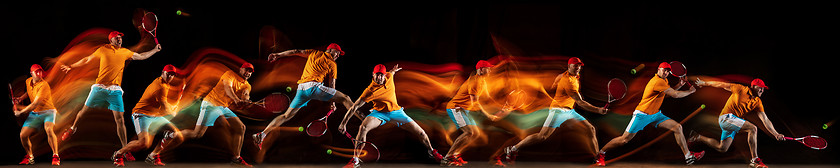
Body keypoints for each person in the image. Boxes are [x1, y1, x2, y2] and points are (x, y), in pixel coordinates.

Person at [59, 31, 162, 162]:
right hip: (100, 87)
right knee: (83, 112)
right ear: (111, 40)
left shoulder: (125, 52)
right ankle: (72, 129)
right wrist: (71, 67)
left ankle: (125, 150)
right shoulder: (103, 49)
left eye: (120, 37)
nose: (119, 39)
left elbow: (141, 56)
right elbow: (87, 59)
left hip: (115, 90)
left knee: (120, 120)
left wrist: (154, 50)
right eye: (117, 37)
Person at [497, 57, 608, 166]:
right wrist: (598, 110)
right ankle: (513, 149)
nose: (578, 68)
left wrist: (556, 87)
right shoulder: (568, 81)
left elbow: (556, 82)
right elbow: (580, 102)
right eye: (575, 66)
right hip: (558, 111)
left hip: (570, 112)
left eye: (579, 66)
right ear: (569, 66)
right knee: (542, 136)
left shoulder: (568, 76)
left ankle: (597, 158)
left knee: (591, 129)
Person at [597, 62, 705, 165]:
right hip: (642, 115)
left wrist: (679, 85)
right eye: (664, 70)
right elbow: (675, 95)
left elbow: (666, 94)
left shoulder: (664, 81)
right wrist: (690, 91)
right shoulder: (657, 81)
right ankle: (601, 154)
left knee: (677, 127)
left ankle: (688, 157)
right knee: (624, 140)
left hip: (656, 115)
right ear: (659, 69)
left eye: (668, 71)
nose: (666, 73)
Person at [337, 64, 445, 168]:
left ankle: (433, 152)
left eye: (381, 75)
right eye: (377, 75)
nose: (379, 77)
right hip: (379, 113)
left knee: (421, 132)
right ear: (372, 75)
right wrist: (343, 123)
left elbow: (391, 73)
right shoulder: (369, 91)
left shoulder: (389, 76)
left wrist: (394, 70)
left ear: (385, 75)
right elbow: (354, 107)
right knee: (363, 127)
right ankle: (355, 160)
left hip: (396, 112)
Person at [253, 43, 355, 149]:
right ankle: (362, 119)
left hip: (301, 89)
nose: (338, 55)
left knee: (286, 116)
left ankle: (261, 134)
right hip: (314, 87)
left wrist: (278, 55)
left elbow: (296, 51)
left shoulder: (313, 53)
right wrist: (332, 102)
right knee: (345, 98)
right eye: (338, 52)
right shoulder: (332, 63)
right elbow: (331, 84)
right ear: (330, 50)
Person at [156, 63, 257, 167]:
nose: (247, 73)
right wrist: (236, 100)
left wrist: (246, 102)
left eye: (250, 72)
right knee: (197, 134)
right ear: (241, 69)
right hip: (211, 104)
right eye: (246, 70)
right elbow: (228, 88)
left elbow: (245, 96)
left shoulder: (247, 86)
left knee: (241, 127)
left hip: (222, 107)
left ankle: (236, 159)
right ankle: (170, 134)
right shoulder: (229, 74)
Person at [690, 78, 784, 168]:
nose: (762, 90)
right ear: (753, 86)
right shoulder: (741, 89)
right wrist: (704, 83)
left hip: (733, 122)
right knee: (752, 128)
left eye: (763, 88)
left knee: (722, 148)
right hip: (726, 117)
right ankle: (754, 160)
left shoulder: (757, 102)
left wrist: (776, 134)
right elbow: (721, 84)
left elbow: (765, 119)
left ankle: (698, 137)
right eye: (760, 87)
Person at [111, 65, 185, 166]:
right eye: (168, 74)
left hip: (154, 114)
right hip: (141, 114)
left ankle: (153, 155)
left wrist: (175, 106)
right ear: (162, 73)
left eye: (172, 75)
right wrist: (175, 109)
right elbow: (166, 109)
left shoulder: (165, 84)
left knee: (175, 134)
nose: (170, 77)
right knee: (143, 144)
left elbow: (166, 106)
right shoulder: (160, 87)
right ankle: (118, 154)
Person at [441, 60, 502, 167]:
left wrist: (500, 105)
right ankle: (447, 158)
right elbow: (476, 103)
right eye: (489, 68)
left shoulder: (483, 81)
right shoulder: (475, 82)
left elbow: (488, 97)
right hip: (456, 108)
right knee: (469, 132)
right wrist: (488, 115)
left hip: (465, 110)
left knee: (475, 134)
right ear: (481, 69)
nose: (491, 70)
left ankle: (455, 155)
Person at [13, 64, 61, 165]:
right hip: (36, 113)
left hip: (49, 111)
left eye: (40, 71)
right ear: (31, 73)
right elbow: (29, 92)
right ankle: (30, 157)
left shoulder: (44, 85)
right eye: (36, 72)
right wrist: (21, 98)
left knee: (48, 129)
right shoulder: (28, 81)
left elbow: (35, 104)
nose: (39, 74)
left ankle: (56, 156)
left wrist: (20, 112)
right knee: (23, 135)